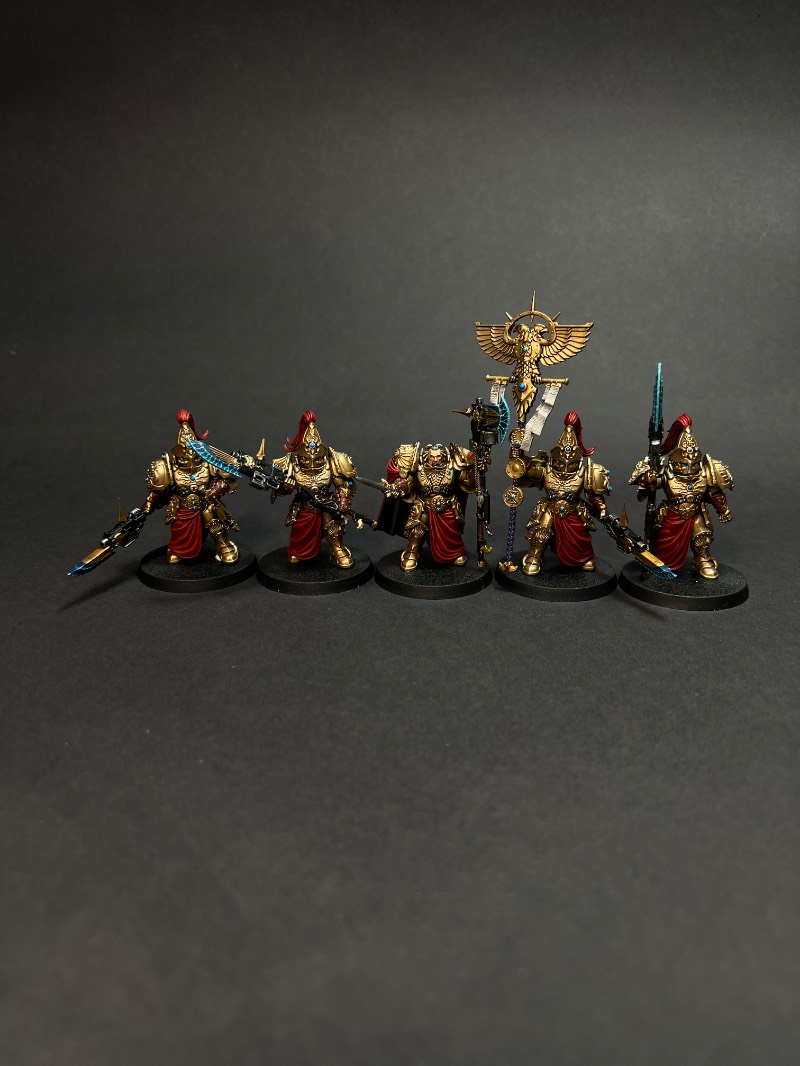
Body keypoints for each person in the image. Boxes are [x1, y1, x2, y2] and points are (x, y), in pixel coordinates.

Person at [629, 414, 733, 579]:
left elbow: (714, 493)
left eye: (693, 464)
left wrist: (723, 510)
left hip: (696, 512)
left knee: (702, 536)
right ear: (675, 462)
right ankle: (658, 563)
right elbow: (646, 487)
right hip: (672, 514)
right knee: (663, 542)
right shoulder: (668, 473)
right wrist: (649, 479)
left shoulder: (705, 472)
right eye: (683, 465)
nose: (688, 468)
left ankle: (702, 560)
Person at [518, 411, 609, 575]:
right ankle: (534, 557)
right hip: (549, 507)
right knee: (541, 533)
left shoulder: (586, 472)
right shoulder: (546, 468)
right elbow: (525, 471)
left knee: (580, 537)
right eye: (560, 463)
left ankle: (584, 557)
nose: (564, 467)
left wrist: (601, 508)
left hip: (573, 509)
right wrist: (518, 454)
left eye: (570, 464)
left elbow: (594, 495)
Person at [143, 409, 239, 563]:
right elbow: (158, 492)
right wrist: (148, 505)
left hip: (206, 501)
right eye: (184, 458)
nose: (190, 460)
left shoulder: (209, 460)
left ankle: (223, 545)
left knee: (212, 516)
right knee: (179, 526)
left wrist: (214, 490)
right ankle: (178, 549)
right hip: (183, 504)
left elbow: (226, 478)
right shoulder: (169, 466)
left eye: (195, 456)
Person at [271, 411, 358, 567]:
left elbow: (346, 484)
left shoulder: (333, 461)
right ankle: (298, 550)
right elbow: (278, 490)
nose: (312, 463)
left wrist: (343, 499)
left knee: (332, 522)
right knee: (299, 531)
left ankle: (336, 549)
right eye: (306, 459)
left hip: (326, 504)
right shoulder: (292, 463)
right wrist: (285, 486)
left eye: (317, 459)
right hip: (305, 506)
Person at [379, 442, 476, 571]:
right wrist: (401, 486)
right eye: (432, 456)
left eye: (438, 456)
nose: (435, 459)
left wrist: (475, 472)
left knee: (452, 528)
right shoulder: (419, 467)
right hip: (423, 505)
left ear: (443, 456)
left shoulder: (452, 466)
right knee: (416, 529)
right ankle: (413, 550)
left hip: (447, 506)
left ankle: (454, 551)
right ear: (427, 456)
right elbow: (409, 482)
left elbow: (468, 481)